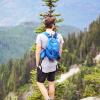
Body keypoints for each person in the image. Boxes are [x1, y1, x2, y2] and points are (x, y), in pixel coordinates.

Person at [35, 16, 64, 100]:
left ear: (45, 25)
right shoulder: (59, 36)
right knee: (51, 83)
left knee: (39, 83)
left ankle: (47, 98)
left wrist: (37, 64)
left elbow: (37, 51)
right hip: (53, 64)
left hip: (44, 65)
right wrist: (57, 60)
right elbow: (60, 50)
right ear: (53, 25)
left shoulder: (40, 36)